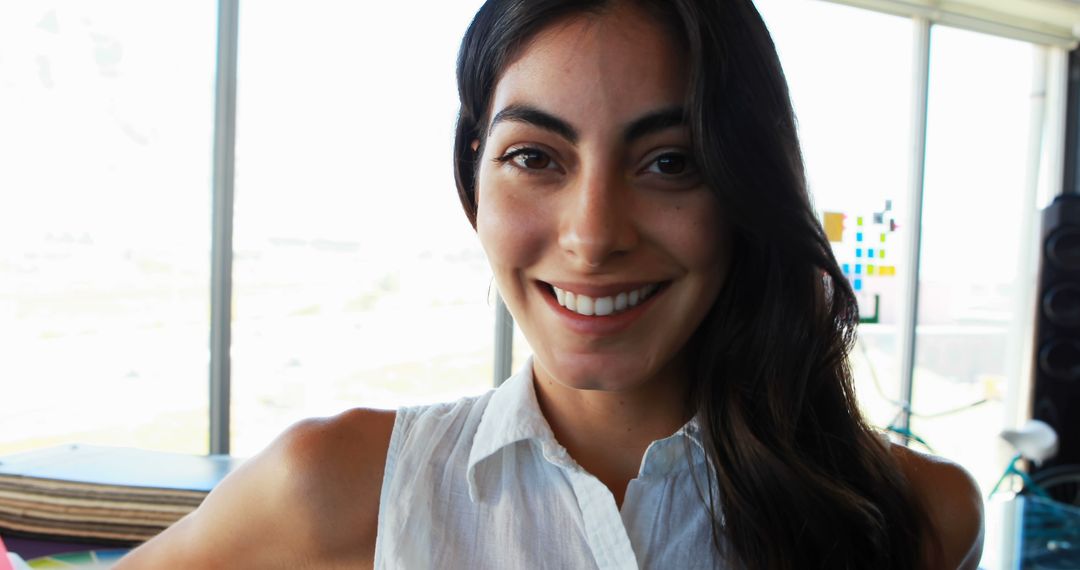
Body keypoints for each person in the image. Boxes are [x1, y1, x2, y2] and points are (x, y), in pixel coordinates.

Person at [117, 0, 983, 568]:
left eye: (670, 162)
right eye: (535, 157)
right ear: (475, 179)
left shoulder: (918, 517)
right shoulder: (337, 487)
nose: (593, 234)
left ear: (742, 191)